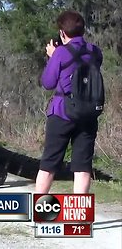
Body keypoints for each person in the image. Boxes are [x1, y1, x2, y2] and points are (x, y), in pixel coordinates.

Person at [35, 10, 103, 194]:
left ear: (62, 33)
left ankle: (40, 213)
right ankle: (80, 217)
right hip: (88, 114)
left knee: (49, 164)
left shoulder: (60, 53)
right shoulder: (95, 52)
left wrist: (53, 56)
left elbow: (48, 83)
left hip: (62, 112)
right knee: (82, 167)